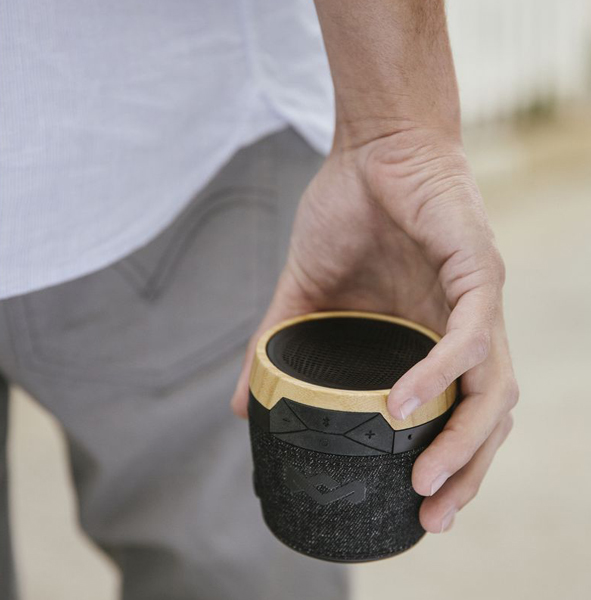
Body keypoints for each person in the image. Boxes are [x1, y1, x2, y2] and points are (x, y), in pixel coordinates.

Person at [0, 0, 518, 598]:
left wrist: (398, 142)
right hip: (161, 151)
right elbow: (397, 138)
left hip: (154, 175)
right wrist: (400, 135)